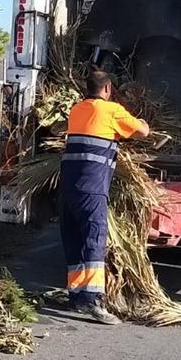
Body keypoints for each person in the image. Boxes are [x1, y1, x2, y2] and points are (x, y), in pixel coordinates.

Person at [60, 69, 150, 325]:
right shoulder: (111, 111)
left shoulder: (77, 110)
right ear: (108, 89)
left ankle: (77, 296)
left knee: (74, 238)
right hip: (92, 188)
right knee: (93, 238)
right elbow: (142, 131)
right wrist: (142, 121)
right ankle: (92, 300)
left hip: (68, 187)